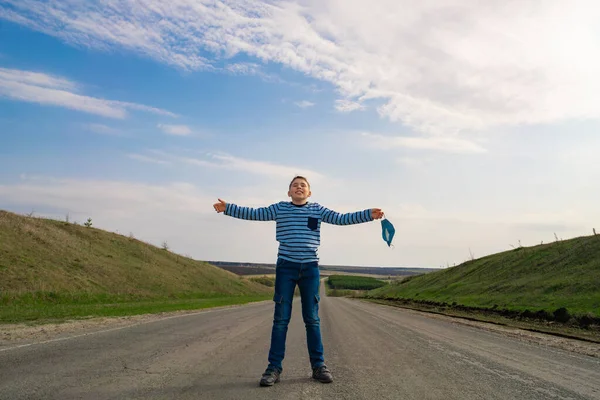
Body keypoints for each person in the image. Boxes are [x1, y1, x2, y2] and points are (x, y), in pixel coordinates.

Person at [213, 175, 384, 386]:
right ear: (289, 192)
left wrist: (368, 214)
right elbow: (254, 214)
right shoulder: (280, 209)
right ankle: (273, 368)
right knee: (281, 319)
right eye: (295, 185)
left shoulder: (317, 210)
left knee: (311, 319)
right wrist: (228, 208)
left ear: (309, 192)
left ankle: (318, 366)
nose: (299, 187)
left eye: (303, 185)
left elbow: (341, 218)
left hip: (310, 268)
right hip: (286, 267)